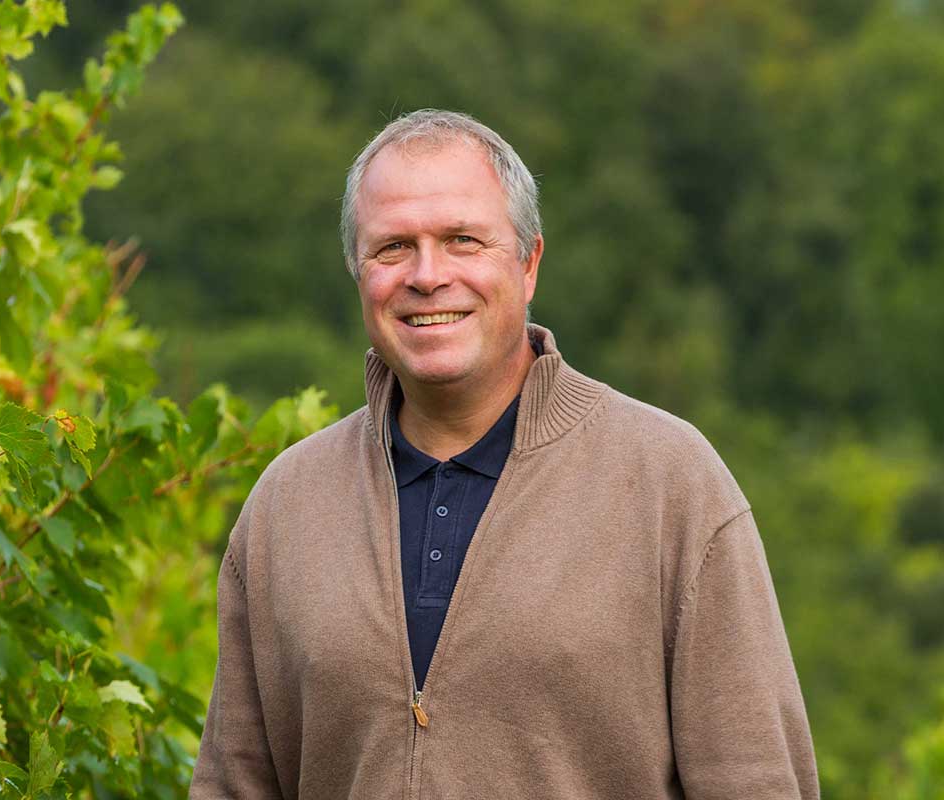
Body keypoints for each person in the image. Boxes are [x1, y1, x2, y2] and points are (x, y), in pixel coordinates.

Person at [190, 109, 819, 799]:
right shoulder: (288, 505)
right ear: (357, 270)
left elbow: (756, 781)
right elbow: (233, 784)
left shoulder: (671, 483)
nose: (428, 276)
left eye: (463, 240)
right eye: (393, 247)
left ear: (528, 263)